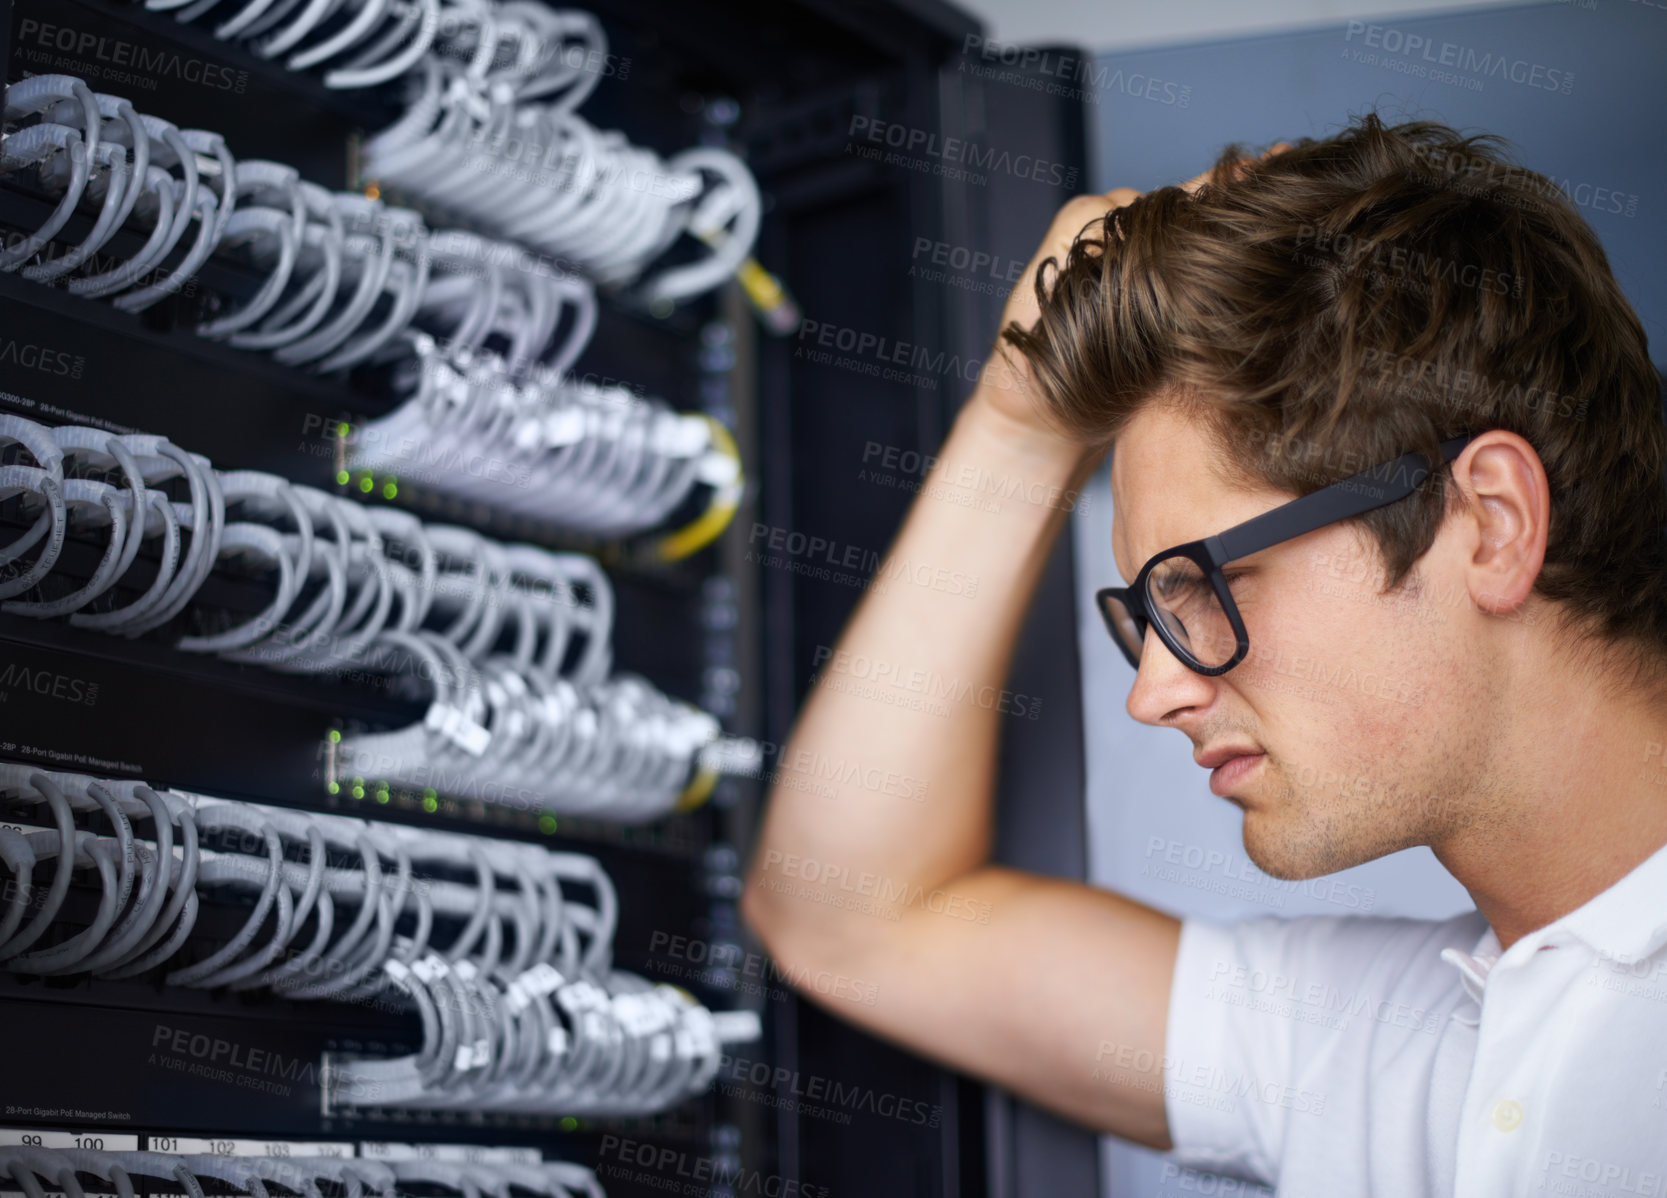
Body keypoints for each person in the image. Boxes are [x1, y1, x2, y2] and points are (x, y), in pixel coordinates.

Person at [740, 111, 1667, 1195]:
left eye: (1202, 585)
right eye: (1147, 608)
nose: (1153, 693)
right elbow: (845, 910)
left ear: (1490, 523)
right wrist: (1021, 419)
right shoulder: (1366, 1041)